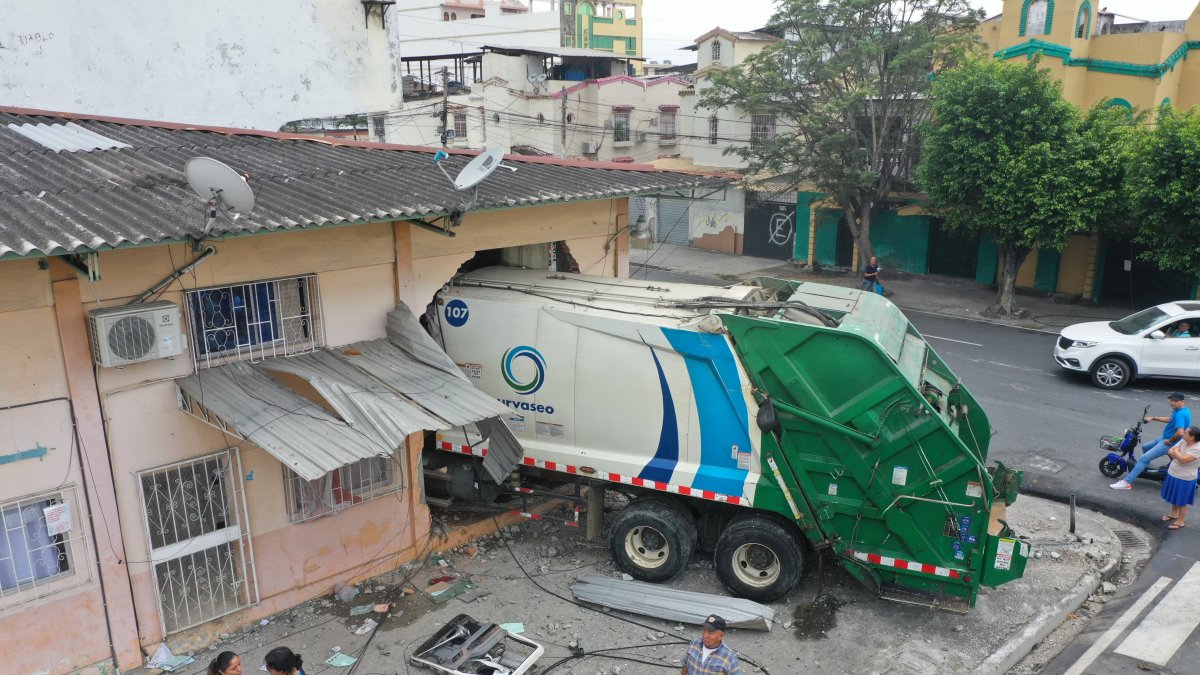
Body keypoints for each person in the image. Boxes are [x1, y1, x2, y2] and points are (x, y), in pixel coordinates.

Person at [1111, 392, 1192, 490]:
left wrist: (1169, 441)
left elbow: (1180, 433)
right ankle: (1145, 469)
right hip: (1164, 438)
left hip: (1169, 443)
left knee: (1143, 459)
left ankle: (1126, 482)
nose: (1172, 403)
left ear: (1182, 402)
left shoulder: (1180, 414)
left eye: (1175, 401)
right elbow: (1171, 419)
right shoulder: (1180, 410)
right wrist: (1153, 418)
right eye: (1171, 400)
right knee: (1145, 447)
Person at [1161, 425, 1200, 529]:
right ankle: (1174, 514)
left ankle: (1180, 521)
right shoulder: (1184, 440)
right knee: (1175, 496)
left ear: (1192, 437)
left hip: (1185, 478)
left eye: (1186, 433)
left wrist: (1176, 452)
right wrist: (1177, 453)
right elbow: (1170, 450)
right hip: (1173, 473)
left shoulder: (1197, 448)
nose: (1183, 434)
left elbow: (1183, 459)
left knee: (1182, 500)